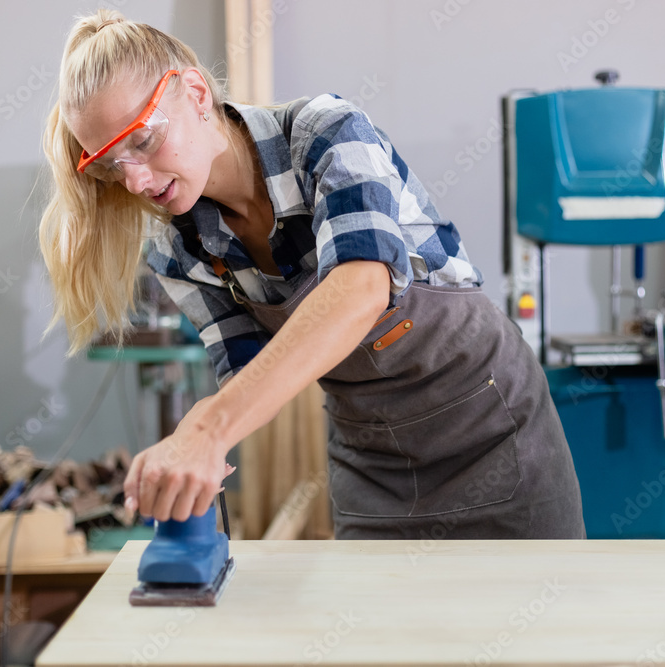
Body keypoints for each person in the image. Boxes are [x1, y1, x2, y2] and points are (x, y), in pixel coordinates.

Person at [39, 9, 585, 539]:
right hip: (374, 461)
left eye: (143, 139)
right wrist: (194, 447)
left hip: (491, 430)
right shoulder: (178, 247)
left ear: (198, 94)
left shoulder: (326, 135)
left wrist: (210, 428)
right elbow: (249, 374)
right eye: (109, 164)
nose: (133, 181)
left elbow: (360, 288)